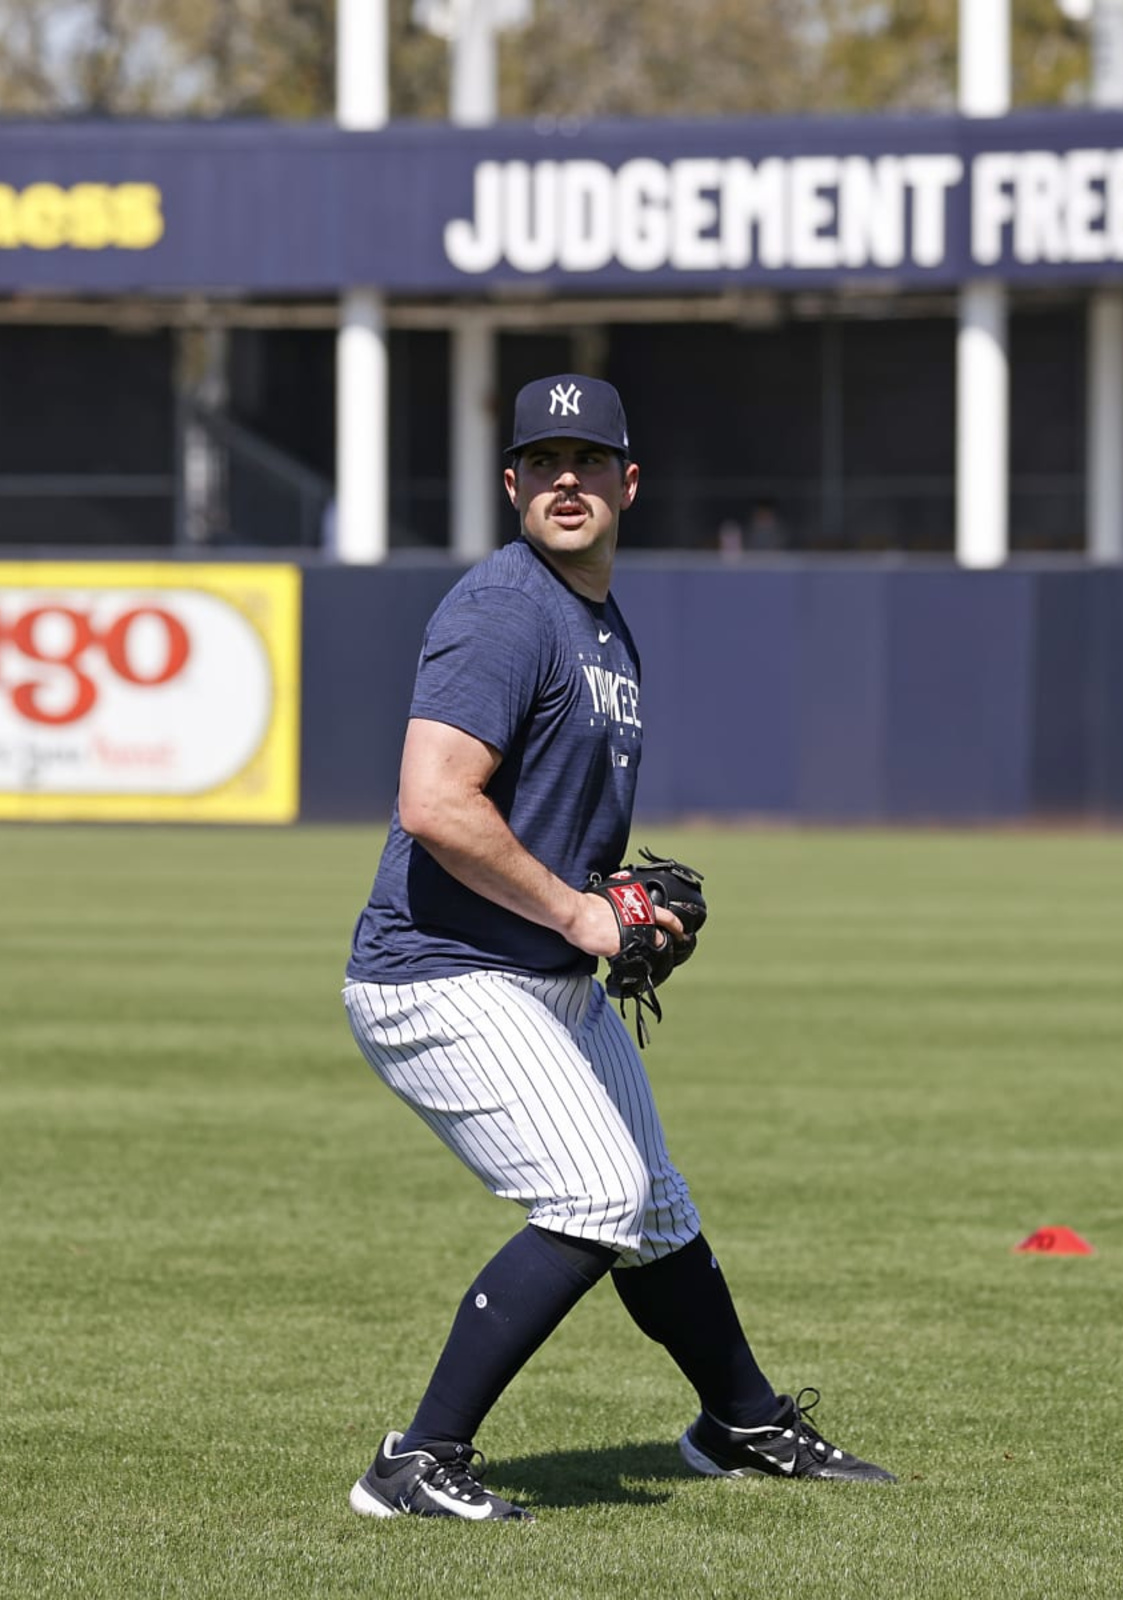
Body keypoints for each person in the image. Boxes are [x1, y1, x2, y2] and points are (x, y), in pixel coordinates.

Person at [341, 374, 894, 1522]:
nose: (565, 480)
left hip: (538, 974)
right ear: (511, 484)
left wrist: (626, 903)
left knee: (656, 1212)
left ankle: (738, 1421)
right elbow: (436, 802)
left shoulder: (597, 624)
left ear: (628, 482)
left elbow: (544, 820)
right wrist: (584, 914)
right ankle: (416, 1459)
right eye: (542, 461)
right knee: (595, 1192)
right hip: (442, 973)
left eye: (587, 459)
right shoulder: (504, 608)